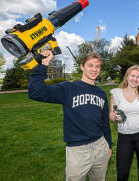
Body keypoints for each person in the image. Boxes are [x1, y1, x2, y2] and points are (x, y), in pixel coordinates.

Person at [28, 50, 113, 181]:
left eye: (98, 66)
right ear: (82, 67)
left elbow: (104, 121)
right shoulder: (68, 88)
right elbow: (36, 92)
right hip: (78, 149)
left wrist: (108, 144)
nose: (94, 69)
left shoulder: (101, 93)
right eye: (90, 65)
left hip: (101, 146)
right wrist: (44, 64)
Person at [109, 65, 139, 181]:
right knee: (122, 173)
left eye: (138, 77)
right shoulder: (116, 93)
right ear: (127, 76)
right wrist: (115, 116)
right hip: (124, 137)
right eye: (133, 76)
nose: (135, 79)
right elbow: (111, 115)